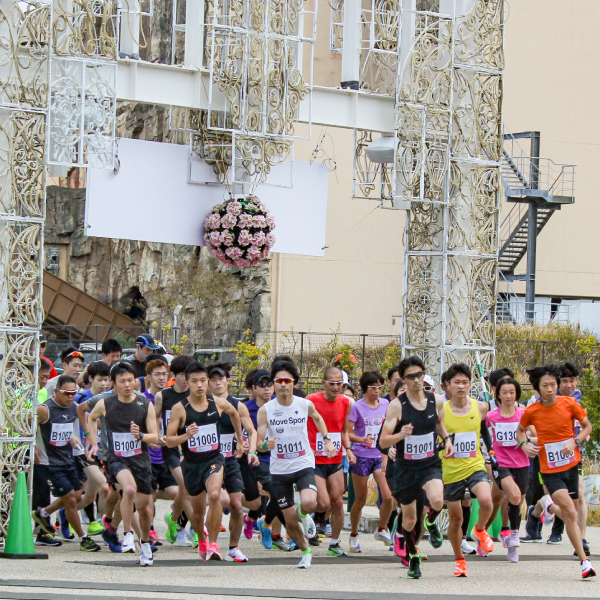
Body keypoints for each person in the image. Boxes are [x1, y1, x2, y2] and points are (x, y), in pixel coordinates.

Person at [257, 358, 336, 569]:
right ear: (273, 383)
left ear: (294, 383)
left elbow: (318, 418)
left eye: (287, 380)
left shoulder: (304, 404)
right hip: (280, 468)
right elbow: (258, 443)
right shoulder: (266, 410)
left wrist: (327, 439)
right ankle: (306, 552)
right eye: (278, 380)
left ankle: (305, 515)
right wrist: (266, 444)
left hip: (302, 462)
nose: (282, 384)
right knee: (289, 521)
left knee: (310, 502)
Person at [518, 364, 595, 579]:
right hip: (550, 470)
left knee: (573, 505)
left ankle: (546, 506)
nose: (550, 389)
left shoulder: (570, 404)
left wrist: (575, 441)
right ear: (538, 388)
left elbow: (587, 426)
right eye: (545, 386)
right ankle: (584, 561)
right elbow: (520, 431)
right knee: (570, 510)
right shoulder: (532, 410)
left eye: (553, 384)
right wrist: (524, 445)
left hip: (571, 465)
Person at [380, 357, 453, 579]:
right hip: (406, 468)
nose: (416, 380)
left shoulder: (436, 400)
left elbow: (439, 423)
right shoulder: (397, 406)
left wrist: (447, 439)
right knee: (410, 520)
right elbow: (382, 441)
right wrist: (400, 435)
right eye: (411, 376)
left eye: (419, 374)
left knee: (438, 500)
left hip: (429, 463)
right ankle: (412, 555)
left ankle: (431, 522)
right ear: (403, 379)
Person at [166, 362, 244, 561]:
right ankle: (202, 537)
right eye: (194, 381)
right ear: (187, 382)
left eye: (203, 380)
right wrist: (186, 436)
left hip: (214, 459)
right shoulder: (179, 409)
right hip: (192, 464)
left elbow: (234, 413)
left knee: (216, 494)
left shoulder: (216, 402)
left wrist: (240, 440)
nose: (200, 385)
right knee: (198, 514)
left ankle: (214, 544)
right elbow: (169, 440)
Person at [86, 361, 159, 566]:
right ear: (113, 383)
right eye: (122, 381)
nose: (127, 385)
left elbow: (154, 436)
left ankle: (144, 542)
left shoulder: (145, 404)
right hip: (116, 458)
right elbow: (91, 418)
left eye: (130, 380)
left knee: (145, 509)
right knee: (128, 490)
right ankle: (127, 533)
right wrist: (92, 441)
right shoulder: (106, 403)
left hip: (140, 460)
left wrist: (141, 435)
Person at [32, 375, 101, 552]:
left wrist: (84, 438)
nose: (71, 396)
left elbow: (84, 422)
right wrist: (33, 446)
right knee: (70, 499)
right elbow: (26, 425)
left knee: (78, 496)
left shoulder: (74, 408)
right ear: (56, 392)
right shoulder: (44, 410)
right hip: (48, 463)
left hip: (67, 459)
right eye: (67, 393)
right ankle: (83, 538)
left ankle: (43, 513)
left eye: (73, 393)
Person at [442, 363, 495, 577]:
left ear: (470, 384)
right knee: (456, 520)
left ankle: (480, 529)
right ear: (448, 385)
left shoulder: (480, 407)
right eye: (457, 382)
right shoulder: (441, 411)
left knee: (486, 500)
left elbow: (484, 430)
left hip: (474, 464)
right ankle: (459, 560)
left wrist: (490, 451)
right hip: (450, 469)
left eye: (465, 382)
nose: (461, 386)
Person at [207, 363, 259, 562]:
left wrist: (251, 450)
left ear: (228, 380)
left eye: (221, 378)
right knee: (220, 500)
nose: (218, 382)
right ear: (208, 383)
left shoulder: (238, 405)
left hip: (230, 460)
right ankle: (211, 544)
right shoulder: (203, 405)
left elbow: (252, 431)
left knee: (237, 506)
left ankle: (233, 547)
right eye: (213, 379)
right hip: (210, 461)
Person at [307, 367, 354, 556]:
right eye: (332, 384)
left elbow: (344, 431)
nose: (336, 387)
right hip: (314, 458)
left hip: (335, 458)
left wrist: (348, 449)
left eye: (339, 384)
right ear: (324, 384)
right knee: (324, 502)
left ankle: (334, 543)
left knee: (337, 501)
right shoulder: (311, 401)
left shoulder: (347, 402)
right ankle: (309, 514)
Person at [345, 371, 393, 552]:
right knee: (361, 499)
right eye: (373, 387)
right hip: (361, 456)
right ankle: (354, 534)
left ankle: (382, 528)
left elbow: (388, 428)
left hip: (379, 455)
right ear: (365, 388)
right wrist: (361, 440)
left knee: (388, 496)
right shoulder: (357, 407)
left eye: (380, 387)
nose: (377, 391)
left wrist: (387, 451)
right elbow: (347, 432)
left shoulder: (386, 404)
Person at [486, 378, 532, 562]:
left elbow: (535, 433)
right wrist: (487, 453)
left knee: (518, 500)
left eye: (512, 392)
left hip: (522, 464)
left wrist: (528, 439)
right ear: (498, 395)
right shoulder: (491, 416)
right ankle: (513, 535)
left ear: (517, 394)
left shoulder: (524, 414)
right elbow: (481, 433)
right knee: (513, 495)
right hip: (501, 464)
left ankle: (511, 543)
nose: (508, 396)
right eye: (504, 392)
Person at [546, 362, 589, 551]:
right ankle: (544, 510)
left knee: (579, 495)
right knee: (558, 501)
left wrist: (581, 436)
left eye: (572, 381)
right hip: (549, 458)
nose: (569, 385)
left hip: (573, 456)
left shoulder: (576, 400)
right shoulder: (546, 399)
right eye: (565, 381)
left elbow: (585, 425)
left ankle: (581, 540)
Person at [245, 370, 289, 551]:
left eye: (269, 384)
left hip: (281, 457)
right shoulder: (246, 408)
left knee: (281, 497)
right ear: (254, 388)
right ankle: (280, 530)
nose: (267, 388)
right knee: (273, 495)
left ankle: (269, 526)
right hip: (258, 458)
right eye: (262, 385)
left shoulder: (281, 406)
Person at [154, 354, 196, 545]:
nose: (185, 379)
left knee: (190, 489)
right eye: (181, 375)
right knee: (186, 485)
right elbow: (153, 417)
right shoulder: (163, 395)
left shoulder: (196, 395)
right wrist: (157, 434)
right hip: (171, 447)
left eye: (189, 375)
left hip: (192, 447)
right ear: (173, 375)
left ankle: (174, 520)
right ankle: (195, 529)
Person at [73, 361, 112, 537]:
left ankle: (66, 512)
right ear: (91, 379)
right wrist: (88, 433)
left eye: (107, 380)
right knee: (104, 488)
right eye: (100, 380)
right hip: (83, 450)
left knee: (90, 496)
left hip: (103, 450)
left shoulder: (110, 397)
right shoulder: (80, 398)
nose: (104, 384)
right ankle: (105, 524)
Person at [143, 357, 178, 547]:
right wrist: (153, 438)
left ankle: (174, 519)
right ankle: (149, 531)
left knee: (180, 492)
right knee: (149, 495)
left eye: (165, 374)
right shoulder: (142, 399)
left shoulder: (171, 398)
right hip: (148, 456)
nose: (161, 378)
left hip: (168, 456)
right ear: (149, 377)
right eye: (157, 374)